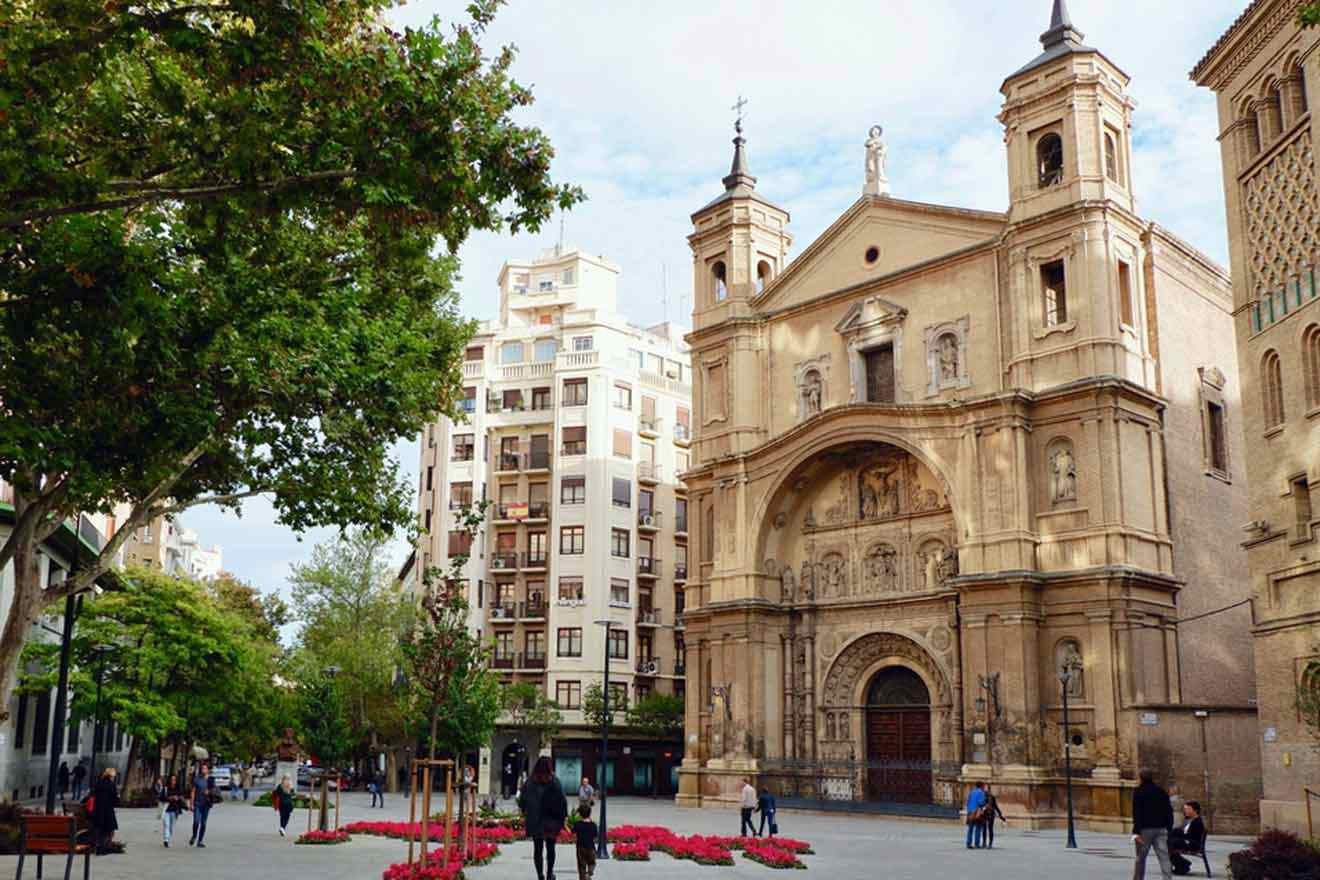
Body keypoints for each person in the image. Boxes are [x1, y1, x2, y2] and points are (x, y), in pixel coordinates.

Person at [518, 756, 567, 880]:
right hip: (551, 820)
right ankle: (550, 873)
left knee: (537, 849)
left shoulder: (529, 782)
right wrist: (563, 817)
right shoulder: (554, 781)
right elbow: (562, 800)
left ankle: (540, 875)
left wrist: (525, 812)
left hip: (535, 820)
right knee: (551, 848)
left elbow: (522, 800)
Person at [1131, 768, 1174, 880]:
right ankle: (1167, 878)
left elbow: (1137, 813)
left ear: (1141, 778)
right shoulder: (1161, 791)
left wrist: (1136, 832)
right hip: (1161, 828)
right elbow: (1168, 810)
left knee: (1141, 857)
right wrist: (1169, 827)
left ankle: (1138, 878)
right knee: (1164, 856)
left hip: (1145, 830)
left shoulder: (1139, 792)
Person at [1168, 801, 1206, 876]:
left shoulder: (1197, 822)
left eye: (1188, 809)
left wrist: (1179, 834)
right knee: (1168, 840)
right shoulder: (1191, 820)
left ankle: (1183, 865)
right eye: (1185, 809)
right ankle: (1183, 864)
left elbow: (1191, 837)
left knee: (1167, 844)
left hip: (1192, 844)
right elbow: (1185, 833)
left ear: (1195, 810)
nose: (1185, 811)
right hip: (1188, 841)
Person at [91, 767, 119, 855]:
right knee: (108, 829)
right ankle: (102, 847)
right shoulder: (111, 785)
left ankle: (98, 846)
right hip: (107, 811)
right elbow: (115, 800)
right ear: (111, 776)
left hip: (97, 810)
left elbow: (94, 795)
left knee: (99, 828)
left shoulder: (98, 783)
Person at [189, 762, 214, 847]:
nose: (203, 770)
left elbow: (215, 791)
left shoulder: (211, 780)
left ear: (208, 770)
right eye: (202, 768)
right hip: (197, 803)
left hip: (206, 804)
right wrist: (191, 803)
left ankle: (200, 841)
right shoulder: (197, 779)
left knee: (203, 823)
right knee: (196, 821)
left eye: (205, 768)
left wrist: (209, 792)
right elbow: (193, 791)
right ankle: (194, 835)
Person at [160, 774, 185, 847]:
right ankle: (166, 840)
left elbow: (181, 798)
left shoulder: (178, 789)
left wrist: (177, 798)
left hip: (175, 810)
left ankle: (168, 837)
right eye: (172, 779)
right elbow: (160, 798)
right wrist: (169, 798)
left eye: (174, 780)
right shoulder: (165, 788)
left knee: (171, 827)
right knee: (166, 825)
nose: (173, 781)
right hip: (166, 809)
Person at [573, 803, 598, 880]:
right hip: (591, 848)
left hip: (581, 848)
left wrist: (566, 825)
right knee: (592, 863)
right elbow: (595, 836)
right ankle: (589, 873)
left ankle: (583, 877)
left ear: (580, 815)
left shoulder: (578, 824)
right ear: (590, 814)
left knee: (581, 866)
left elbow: (572, 832)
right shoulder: (593, 825)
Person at [965, 781, 987, 849]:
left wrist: (969, 810)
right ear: (982, 786)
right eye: (984, 786)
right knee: (978, 828)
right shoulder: (981, 792)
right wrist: (985, 802)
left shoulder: (972, 792)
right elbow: (981, 802)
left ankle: (968, 843)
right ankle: (976, 843)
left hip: (970, 812)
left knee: (970, 829)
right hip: (977, 812)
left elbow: (967, 801)